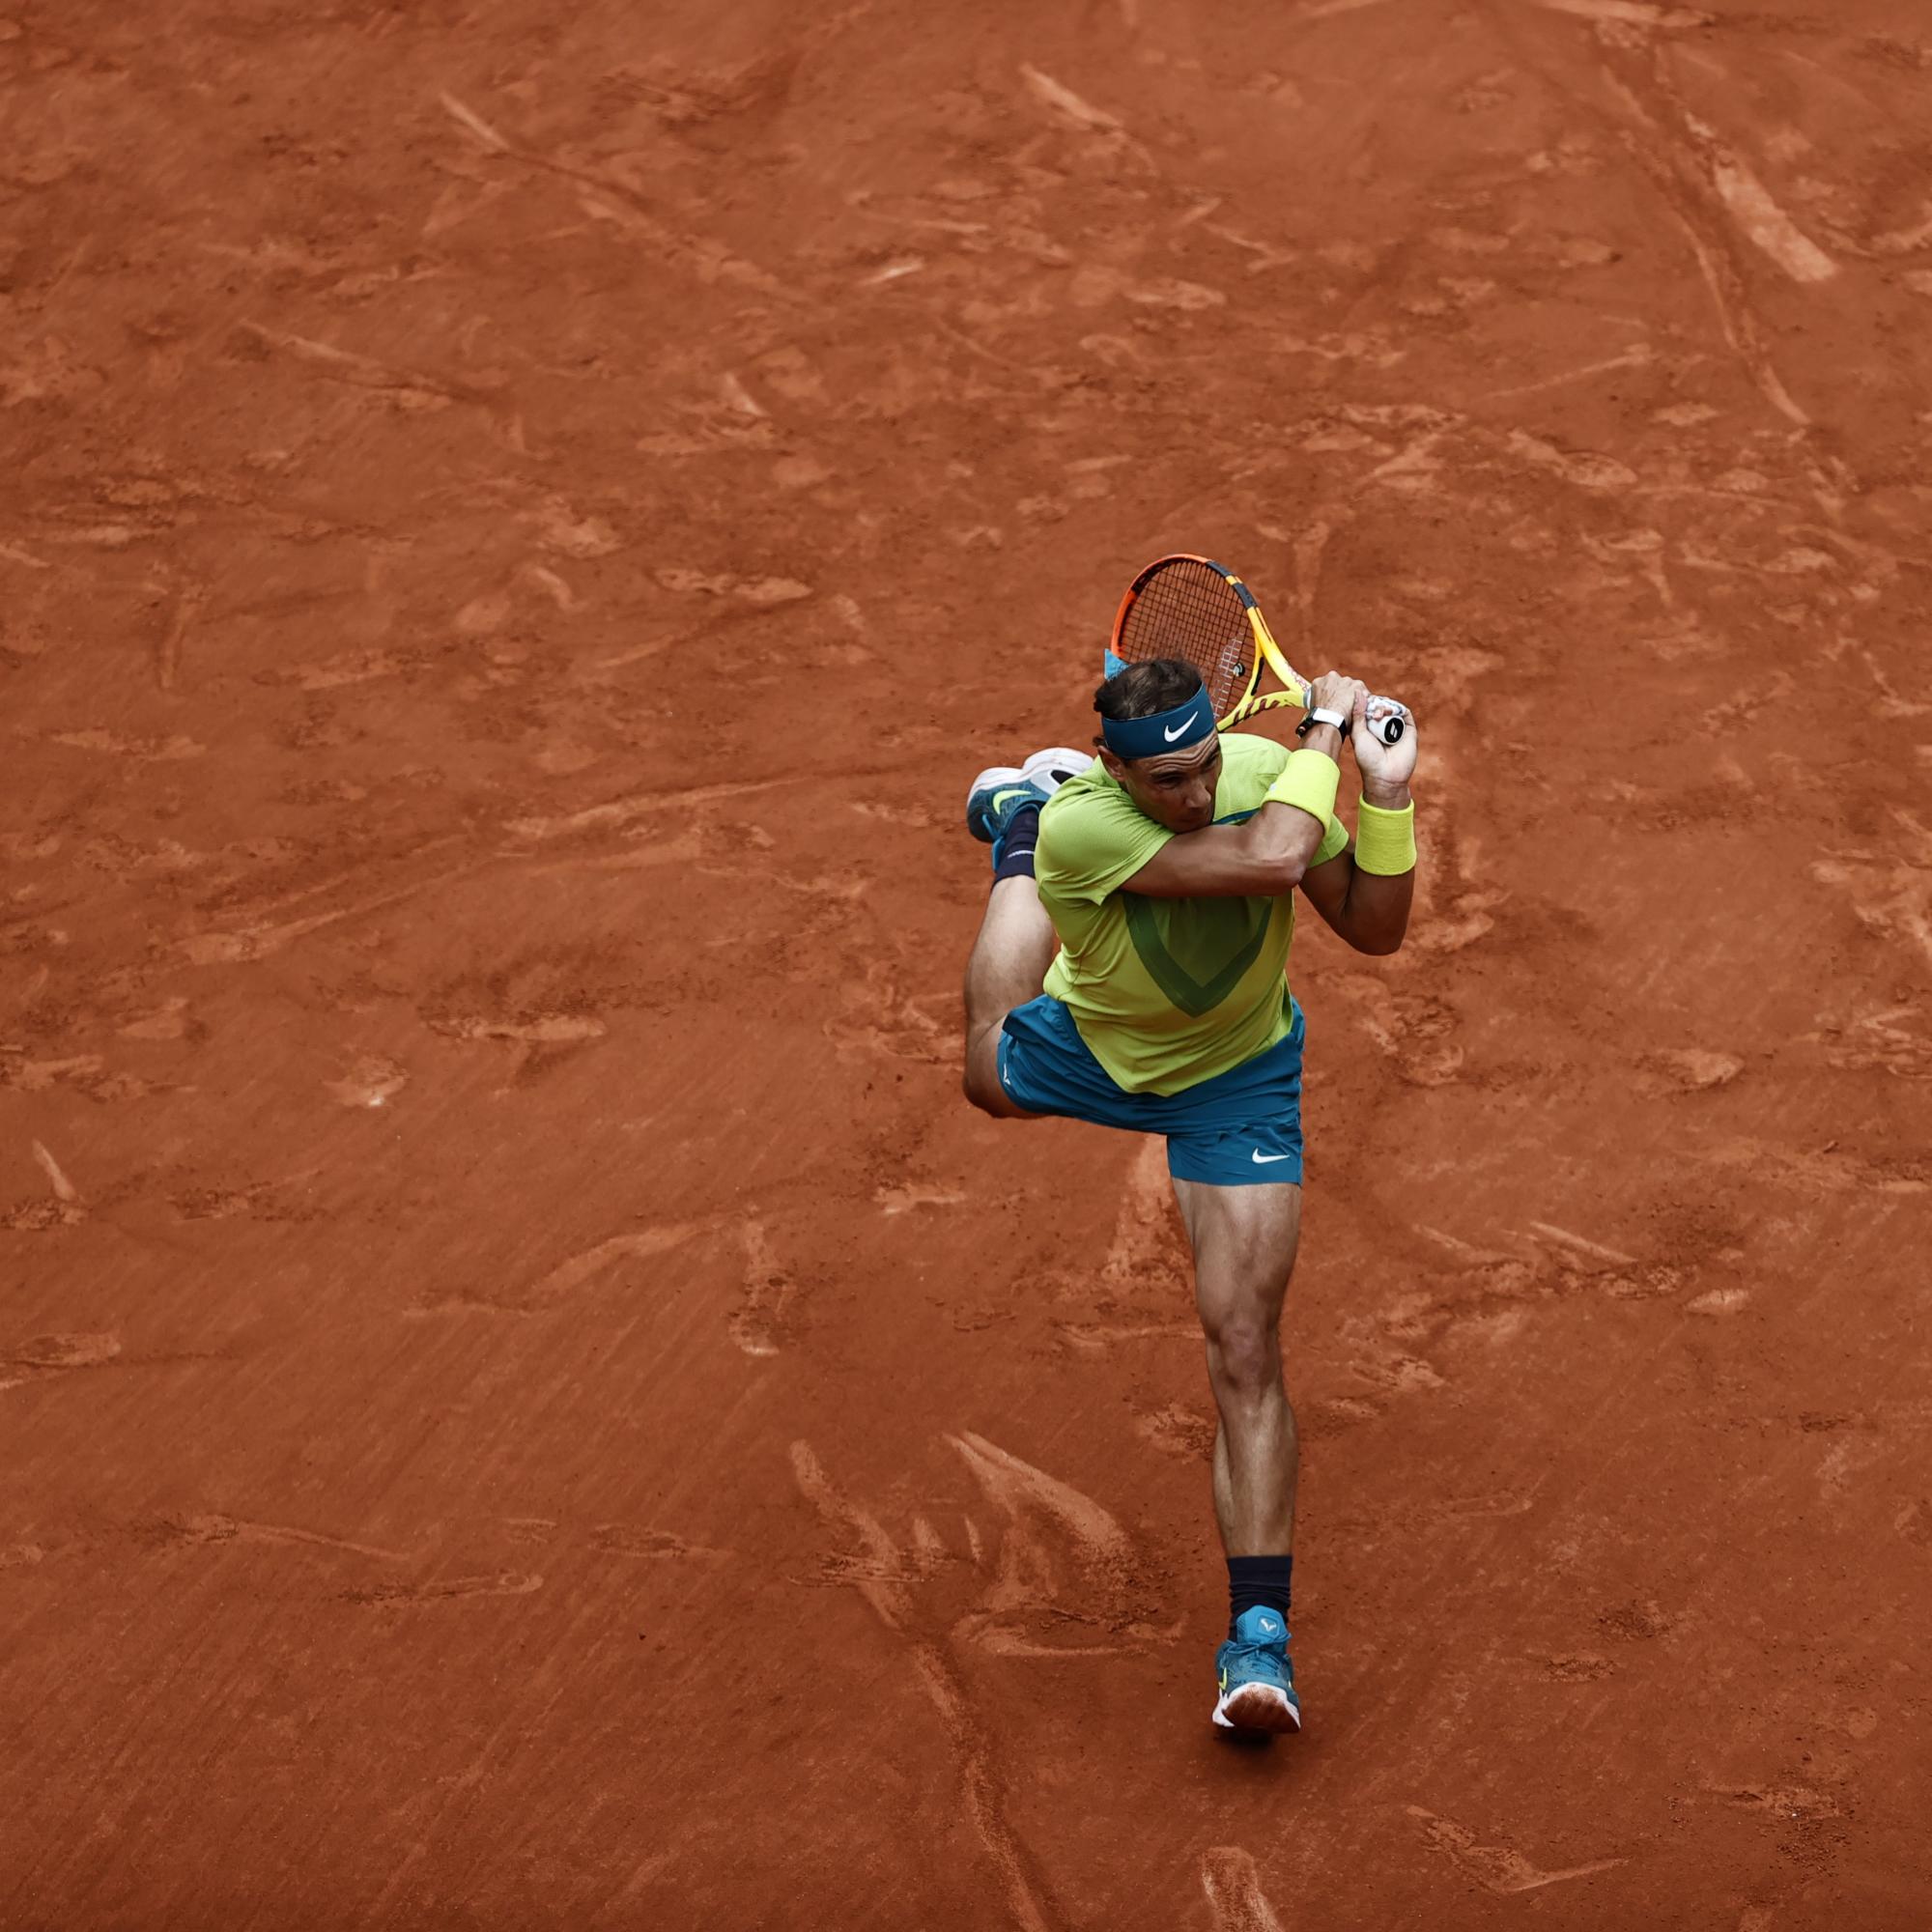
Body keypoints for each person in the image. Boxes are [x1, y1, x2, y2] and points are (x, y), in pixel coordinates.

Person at [959, 657, 1418, 1733]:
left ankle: (1257, 1643)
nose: (1196, 792)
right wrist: (1324, 732)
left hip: (1235, 1079)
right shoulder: (1100, 824)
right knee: (982, 1070)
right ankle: (1014, 822)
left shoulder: (1262, 771)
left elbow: (1374, 926)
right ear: (1112, 774)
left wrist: (1387, 799)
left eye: (1205, 764)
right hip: (1094, 1046)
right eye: (1164, 781)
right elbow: (1272, 859)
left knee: (1244, 1345)